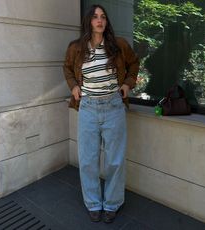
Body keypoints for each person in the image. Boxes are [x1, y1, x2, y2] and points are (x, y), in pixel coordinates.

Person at [63, 4, 139, 223]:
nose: (100, 20)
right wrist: (74, 87)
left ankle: (112, 203)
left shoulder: (119, 45)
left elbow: (134, 63)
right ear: (89, 21)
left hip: (114, 106)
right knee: (88, 160)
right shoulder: (76, 48)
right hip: (87, 107)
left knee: (114, 161)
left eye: (103, 17)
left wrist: (127, 84)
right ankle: (94, 203)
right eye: (95, 17)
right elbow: (67, 68)